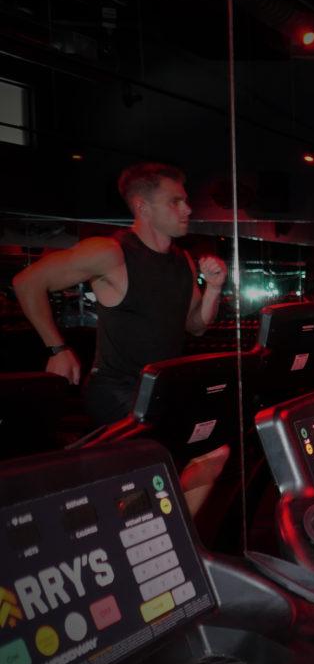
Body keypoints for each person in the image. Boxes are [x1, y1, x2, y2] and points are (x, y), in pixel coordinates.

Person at [12, 162, 229, 512]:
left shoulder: (182, 261)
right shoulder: (110, 253)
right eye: (176, 201)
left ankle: (167, 534)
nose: (188, 209)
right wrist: (58, 347)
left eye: (186, 201)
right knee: (156, 466)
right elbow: (27, 282)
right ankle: (148, 531)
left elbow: (196, 325)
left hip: (159, 391)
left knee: (213, 451)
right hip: (116, 388)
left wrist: (215, 289)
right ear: (143, 207)